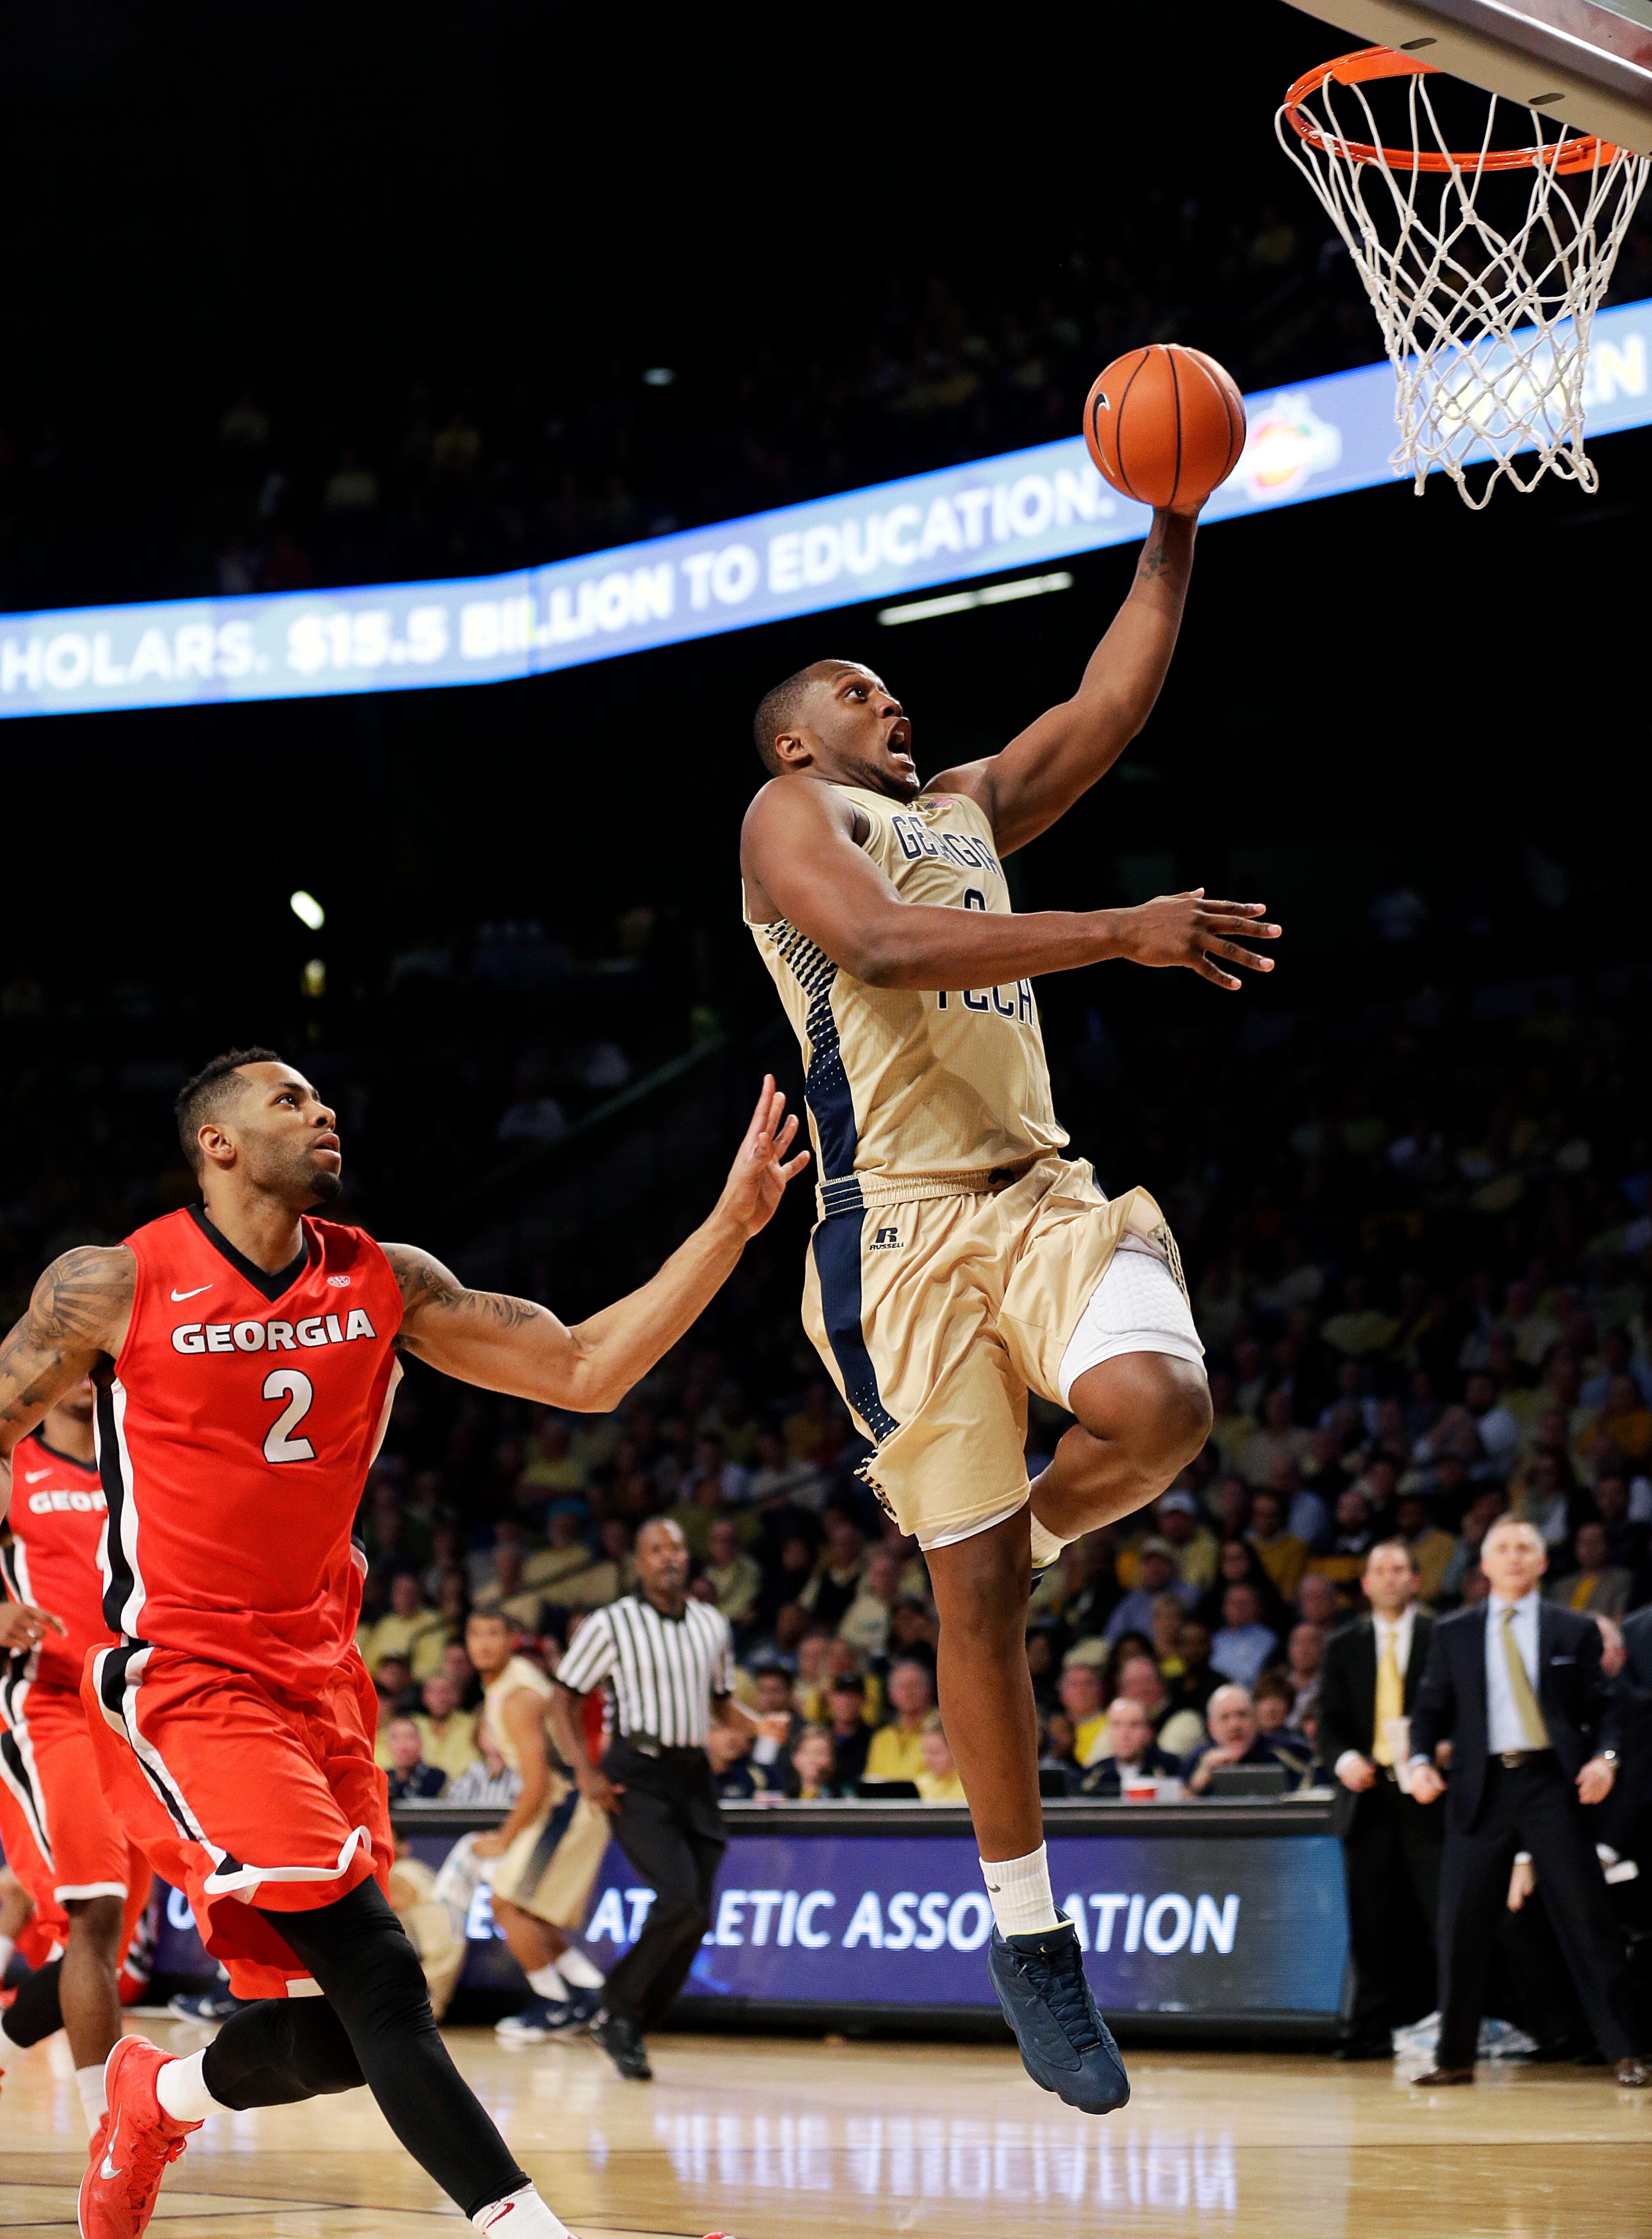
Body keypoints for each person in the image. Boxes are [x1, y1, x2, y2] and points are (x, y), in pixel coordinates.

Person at [0, 1049, 807, 2239]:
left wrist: (732, 1225)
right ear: (216, 1143)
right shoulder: (114, 1282)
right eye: (290, 1099)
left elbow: (589, 1369)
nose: (325, 1111)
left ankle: (157, 2090)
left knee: (335, 2028)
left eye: (326, 1096)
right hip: (192, 1676)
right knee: (382, 1972)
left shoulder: (388, 1279)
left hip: (324, 1680)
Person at [740, 500, 1280, 2113]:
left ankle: (1046, 1526)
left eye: (888, 694)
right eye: (853, 691)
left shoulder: (968, 802)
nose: (887, 705)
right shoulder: (787, 827)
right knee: (965, 1602)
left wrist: (1174, 528)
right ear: (793, 744)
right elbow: (886, 949)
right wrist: (1123, 931)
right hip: (895, 1239)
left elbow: (1109, 703)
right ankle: (1031, 1937)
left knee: (1163, 1414)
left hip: (1038, 1190)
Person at [1407, 1516, 1648, 2088]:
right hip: (1479, 1788)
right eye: (1503, 1549)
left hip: (1549, 1785)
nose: (1514, 1558)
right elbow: (1429, 1713)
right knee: (1461, 1925)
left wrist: (1604, 1762)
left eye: (1525, 1549)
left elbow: (1608, 1713)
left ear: (1542, 1564)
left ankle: (1625, 2051)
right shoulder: (1453, 1633)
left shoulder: (1572, 1630)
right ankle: (1454, 2058)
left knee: (1588, 1921)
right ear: (1484, 1565)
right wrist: (1417, 1762)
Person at [548, 1518, 788, 2082]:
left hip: (693, 1772)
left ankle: (628, 2019)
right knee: (679, 1899)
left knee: (697, 1913)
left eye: (676, 1547)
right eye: (655, 1550)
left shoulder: (711, 1623)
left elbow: (721, 1703)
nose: (668, 1557)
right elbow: (562, 1699)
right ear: (639, 1563)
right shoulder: (612, 1624)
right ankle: (618, 2005)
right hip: (637, 1771)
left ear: (689, 1557)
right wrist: (584, 1770)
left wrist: (760, 1728)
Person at [0, 1380, 153, 2136]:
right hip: (49, 1703)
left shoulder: (143, 1452)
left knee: (106, 1939)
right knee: (92, 1909)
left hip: (140, 1713)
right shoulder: (12, 1460)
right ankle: (112, 2128)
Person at [1315, 1539, 1442, 2060]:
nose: (1390, 1578)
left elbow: (1454, 1708)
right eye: (1380, 1570)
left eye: (1399, 1569)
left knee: (1435, 1914)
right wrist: (1344, 1760)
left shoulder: (1442, 1637)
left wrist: (1437, 1752)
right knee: (1372, 1918)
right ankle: (1373, 2029)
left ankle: (1444, 2025)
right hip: (1368, 1797)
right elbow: (1328, 1723)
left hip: (1428, 1794)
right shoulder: (1342, 1644)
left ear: (1416, 1579)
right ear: (1365, 1583)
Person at [462, 1608, 610, 2046]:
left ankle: (554, 2005)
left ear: (513, 1641)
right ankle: (593, 1996)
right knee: (532, 1912)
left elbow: (539, 1782)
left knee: (506, 1903)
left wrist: (504, 1839)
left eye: (494, 1633)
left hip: (568, 1803)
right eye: (476, 1634)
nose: (484, 1643)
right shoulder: (505, 1685)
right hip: (565, 1803)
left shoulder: (518, 1697)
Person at [1181, 1684, 1287, 1795]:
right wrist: (1198, 1782)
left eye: (1242, 1715)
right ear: (1211, 1727)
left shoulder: (1282, 1756)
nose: (1235, 1725)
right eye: (1225, 1717)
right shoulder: (1196, 1760)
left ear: (1256, 1719)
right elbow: (1176, 1807)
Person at [1076, 1696, 1179, 1798]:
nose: (1125, 1735)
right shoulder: (1095, 1775)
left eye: (1134, 1725)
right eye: (1117, 1725)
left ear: (1148, 1732)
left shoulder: (1171, 1768)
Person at [863, 1658, 937, 1785]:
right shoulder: (881, 1739)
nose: (908, 1692)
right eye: (902, 1687)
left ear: (928, 1690)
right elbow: (872, 1781)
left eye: (915, 1685)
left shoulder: (943, 1734)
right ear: (891, 1695)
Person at [382, 1717, 445, 1802]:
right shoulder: (383, 1780)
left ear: (420, 1742)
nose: (403, 1747)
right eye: (395, 1739)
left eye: (409, 1738)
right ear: (387, 1745)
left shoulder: (437, 1778)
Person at [915, 1713, 966, 1802]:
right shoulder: (918, 1786)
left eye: (935, 1753)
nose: (927, 1760)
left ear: (955, 1752)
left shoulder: (969, 1790)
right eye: (924, 1752)